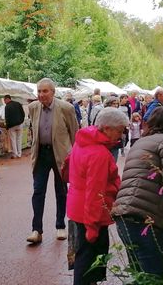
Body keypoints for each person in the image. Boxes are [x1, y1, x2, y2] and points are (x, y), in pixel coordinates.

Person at [112, 106, 163, 279]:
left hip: (125, 216)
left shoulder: (141, 142)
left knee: (140, 276)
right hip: (148, 220)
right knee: (153, 277)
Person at [67, 107, 123, 285]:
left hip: (78, 206)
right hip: (90, 213)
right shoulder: (99, 153)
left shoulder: (82, 141)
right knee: (88, 260)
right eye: (119, 130)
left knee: (84, 255)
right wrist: (92, 225)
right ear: (107, 128)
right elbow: (95, 192)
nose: (120, 136)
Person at [26, 78, 79, 244]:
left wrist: (74, 156)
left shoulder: (66, 108)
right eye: (39, 91)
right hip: (41, 154)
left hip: (61, 156)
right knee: (38, 191)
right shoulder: (33, 107)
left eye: (45, 91)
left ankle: (60, 225)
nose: (41, 94)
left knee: (61, 190)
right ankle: (36, 229)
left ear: (53, 92)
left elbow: (75, 133)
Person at [4, 94, 25, 158]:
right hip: (19, 124)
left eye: (4, 100)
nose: (4, 101)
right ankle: (19, 153)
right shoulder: (18, 104)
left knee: (13, 140)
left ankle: (15, 154)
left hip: (11, 126)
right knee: (19, 139)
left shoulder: (7, 107)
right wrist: (21, 121)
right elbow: (23, 114)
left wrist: (7, 126)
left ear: (7, 99)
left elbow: (7, 117)